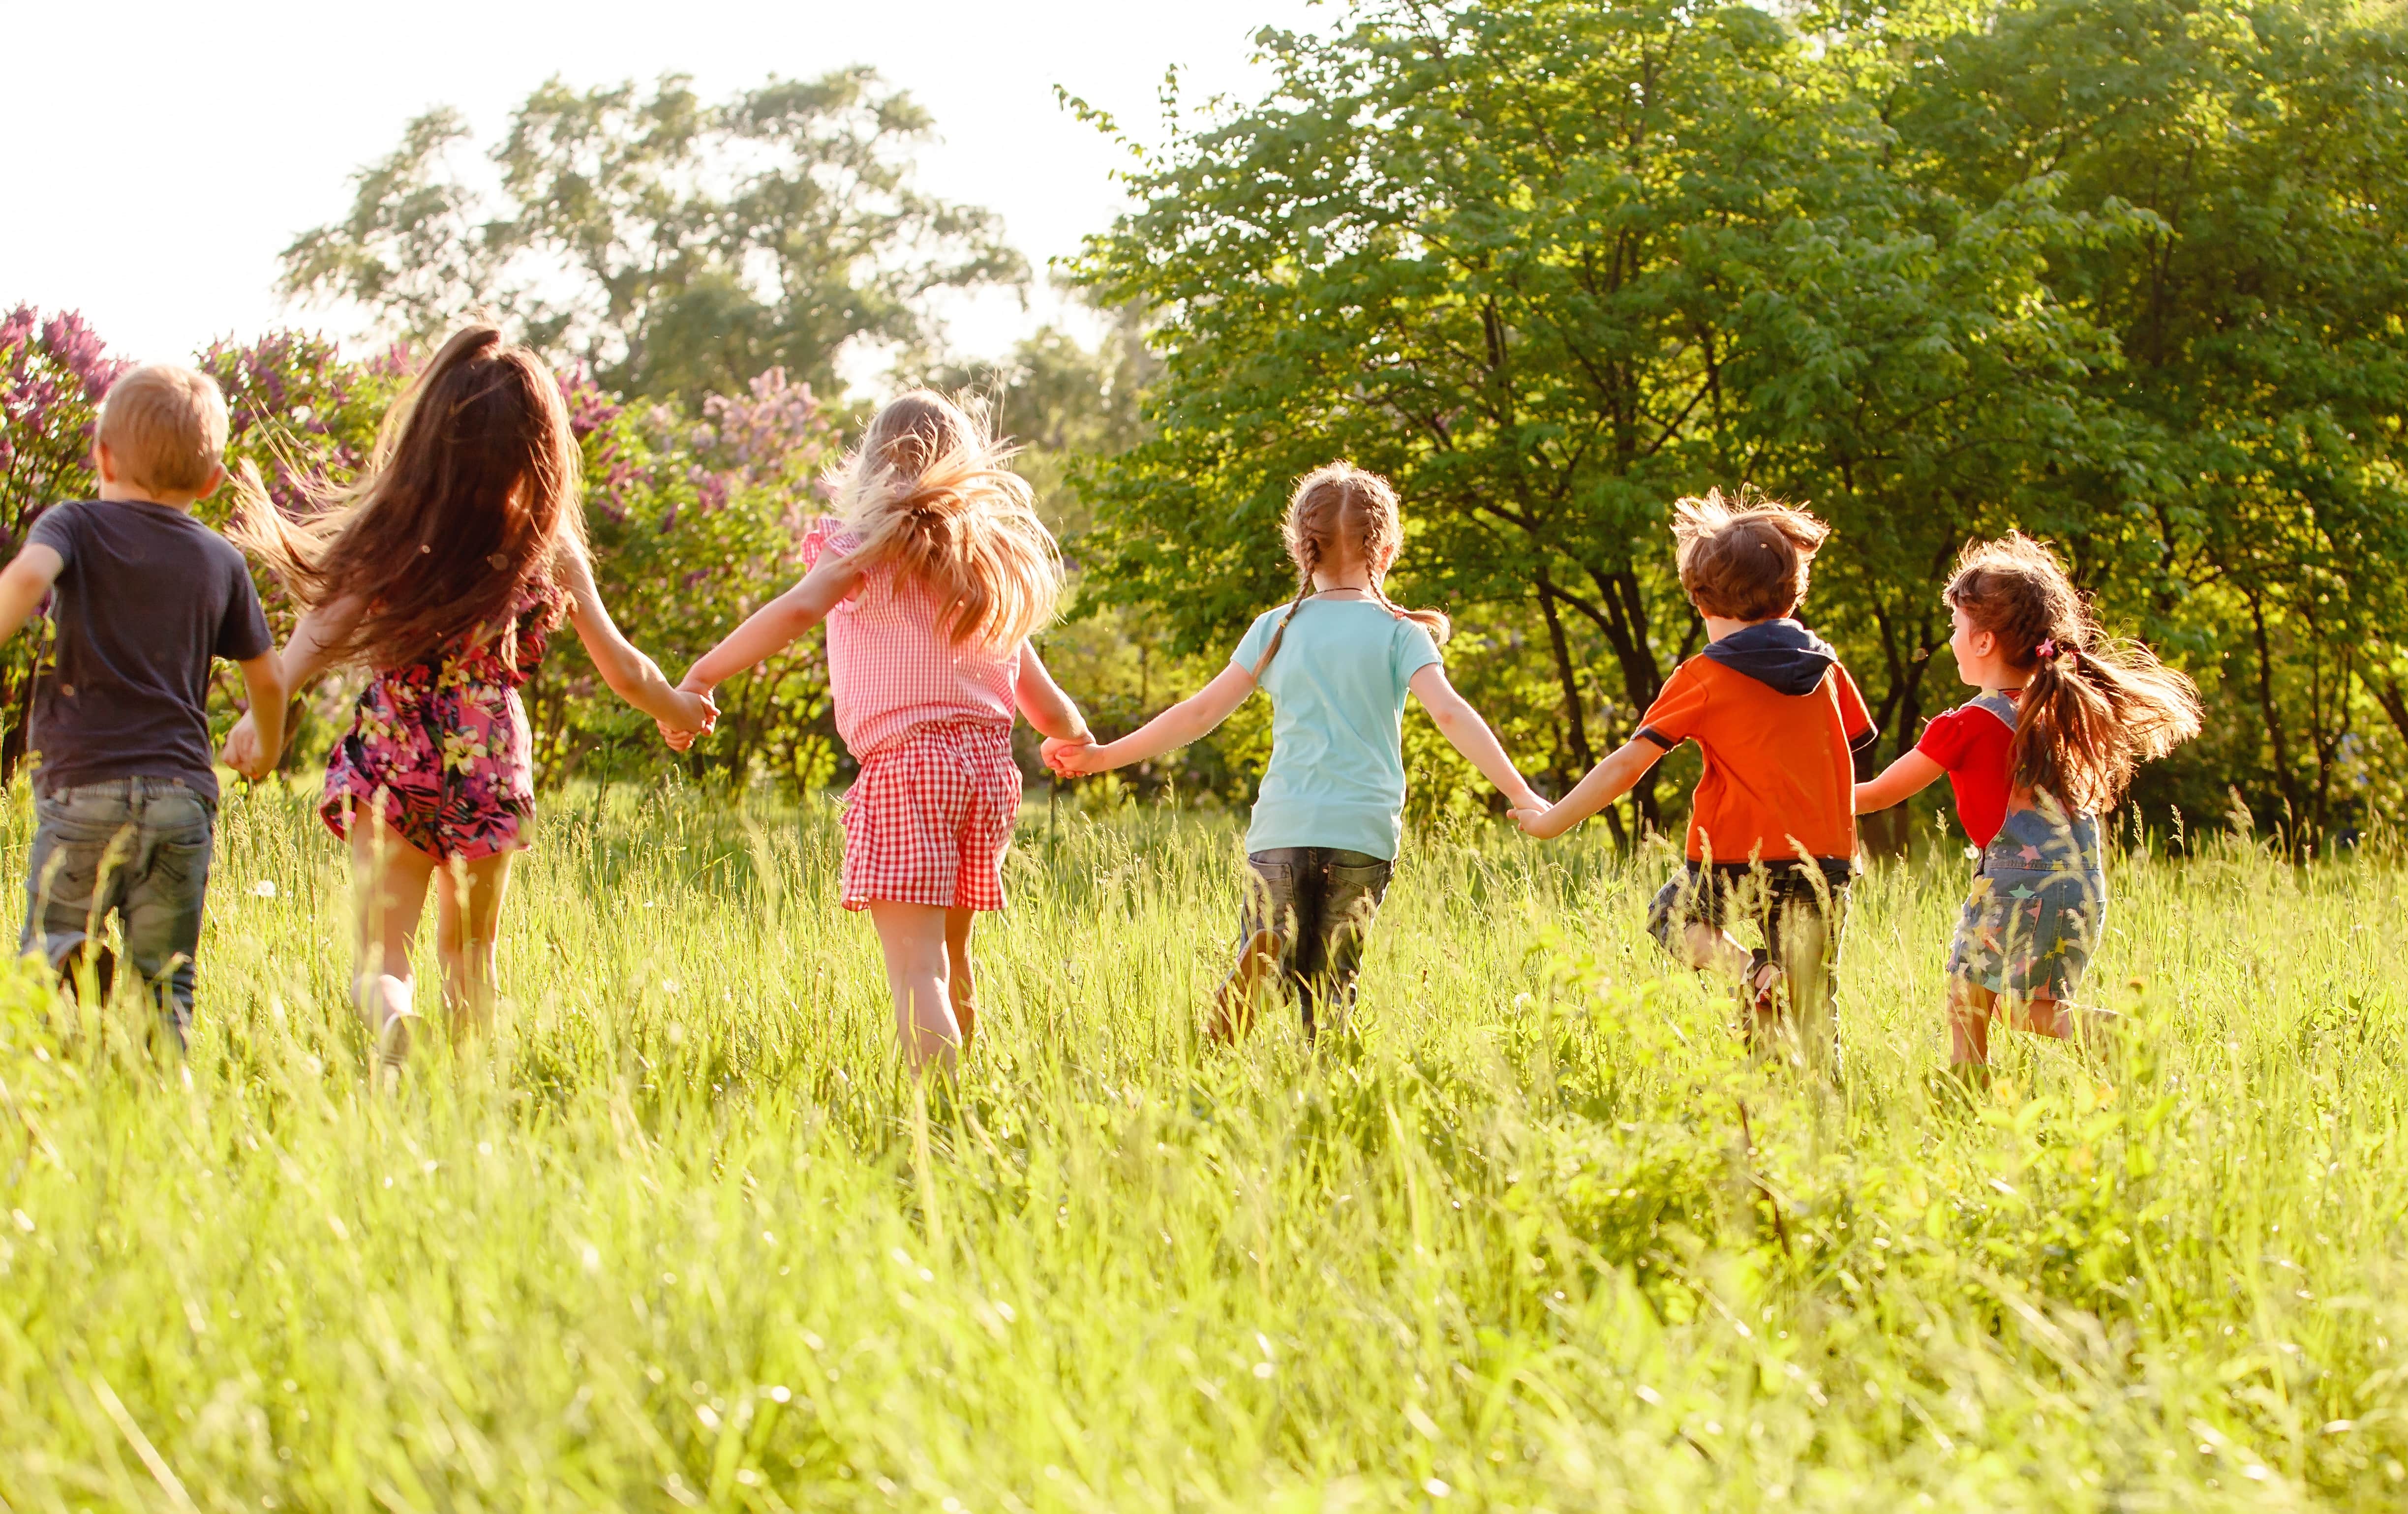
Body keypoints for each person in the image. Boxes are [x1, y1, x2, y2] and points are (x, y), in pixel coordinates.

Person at [224, 326, 714, 1070]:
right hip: (487, 762)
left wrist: (257, 721)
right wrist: (678, 710)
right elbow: (623, 671)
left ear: (431, 431)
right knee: (471, 958)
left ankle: (391, 1023)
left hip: (393, 753)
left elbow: (312, 643)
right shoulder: (544, 542)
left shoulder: (394, 527)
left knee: (381, 954)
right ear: (538, 446)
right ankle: (463, 1102)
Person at [669, 390, 1090, 1076]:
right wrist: (1071, 739)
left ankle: (937, 1109)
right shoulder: (982, 570)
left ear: (869, 465)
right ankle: (965, 1098)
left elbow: (797, 609)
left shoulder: (861, 551)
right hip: (987, 774)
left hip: (908, 767)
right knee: (955, 956)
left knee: (914, 971)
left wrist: (702, 674)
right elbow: (1039, 695)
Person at [1048, 462, 1544, 1042]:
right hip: (1361, 831)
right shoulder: (1400, 632)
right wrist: (1520, 792)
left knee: (1275, 948)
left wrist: (1103, 756)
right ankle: (1322, 1072)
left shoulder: (1275, 628)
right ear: (1386, 549)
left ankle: (1263, 965)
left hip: (1284, 826)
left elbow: (1199, 714)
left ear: (1299, 548)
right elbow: (1451, 714)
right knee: (1334, 980)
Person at [1510, 490, 1875, 1073]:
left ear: (1703, 602)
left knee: (1672, 919)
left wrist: (1552, 819)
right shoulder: (1828, 668)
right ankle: (1816, 1113)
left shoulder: (1704, 674)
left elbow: (1631, 762)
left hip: (1734, 855)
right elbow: (1857, 747)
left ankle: (1750, 973)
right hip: (1824, 859)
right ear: (1791, 592)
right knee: (1811, 1004)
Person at [0, 365, 283, 1048]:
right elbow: (269, 677)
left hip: (83, 789)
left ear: (102, 455)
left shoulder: (74, 523)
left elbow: (33, 576)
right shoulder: (221, 559)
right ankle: (166, 1102)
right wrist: (266, 748)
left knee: (45, 948)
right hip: (183, 796)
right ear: (212, 482)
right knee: (167, 981)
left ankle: (66, 956)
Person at [1854, 533, 2199, 1086]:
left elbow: (1875, 795)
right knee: (2022, 1009)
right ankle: (2111, 1045)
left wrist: (1800, 796)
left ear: (1984, 640)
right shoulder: (2056, 714)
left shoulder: (1964, 725)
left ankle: (1973, 1090)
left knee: (1970, 997)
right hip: (2081, 885)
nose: (1950, 640)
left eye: (1954, 628)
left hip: (2016, 886)